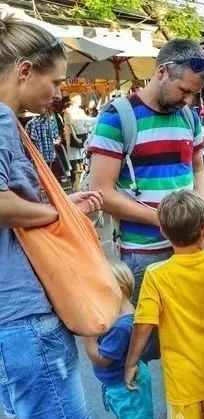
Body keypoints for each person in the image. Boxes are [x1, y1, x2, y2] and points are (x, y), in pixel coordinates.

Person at [88, 40, 204, 363]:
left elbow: (197, 168)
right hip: (142, 256)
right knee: (142, 347)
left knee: (190, 337)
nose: (188, 100)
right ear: (161, 72)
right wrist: (170, 222)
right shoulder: (117, 117)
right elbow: (103, 192)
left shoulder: (189, 118)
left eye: (194, 94)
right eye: (183, 90)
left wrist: (199, 212)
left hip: (190, 251)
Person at [0, 16, 104, 418]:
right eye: (57, 82)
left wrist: (61, 205)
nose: (60, 93)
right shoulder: (4, 119)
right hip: (24, 317)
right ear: (24, 70)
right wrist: (57, 214)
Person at [124, 190, 204, 419]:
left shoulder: (156, 274)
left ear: (163, 230)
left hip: (183, 380)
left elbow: (144, 324)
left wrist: (130, 363)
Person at [85, 260, 153, 419]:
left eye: (100, 289)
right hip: (125, 383)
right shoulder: (124, 309)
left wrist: (88, 335)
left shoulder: (120, 327)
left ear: (120, 289)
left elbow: (100, 360)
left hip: (123, 388)